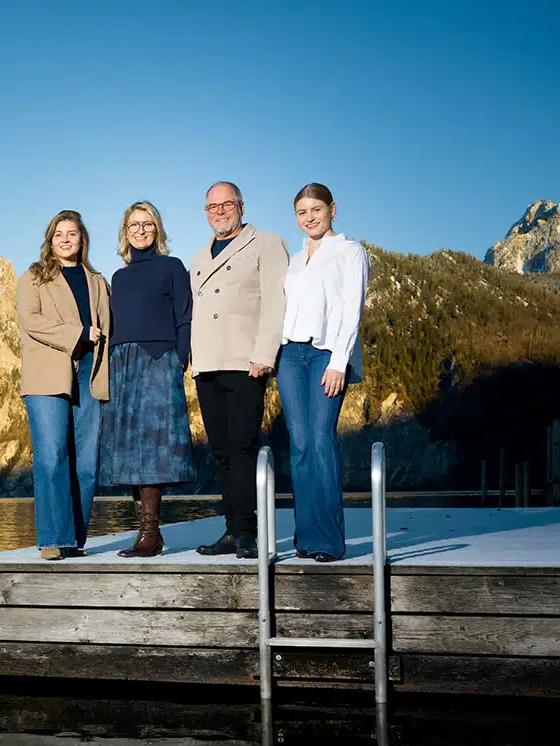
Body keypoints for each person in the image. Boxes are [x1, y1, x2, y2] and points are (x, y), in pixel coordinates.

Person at [190, 182, 289, 559]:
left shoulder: (266, 244)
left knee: (243, 446)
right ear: (205, 213)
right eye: (212, 206)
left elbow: (276, 302)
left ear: (242, 207)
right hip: (207, 364)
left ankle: (248, 532)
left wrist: (264, 353)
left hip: (245, 361)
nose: (219, 211)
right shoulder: (199, 257)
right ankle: (231, 530)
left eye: (226, 204)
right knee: (221, 451)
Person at [99, 201, 196, 557]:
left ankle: (150, 532)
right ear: (125, 232)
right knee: (127, 448)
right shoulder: (119, 277)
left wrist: (178, 358)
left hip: (158, 361)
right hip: (122, 364)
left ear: (157, 229)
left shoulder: (172, 267)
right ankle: (146, 533)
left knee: (153, 448)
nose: (140, 231)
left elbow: (185, 317)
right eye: (134, 225)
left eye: (147, 224)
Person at [279, 183, 368, 562]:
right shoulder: (296, 259)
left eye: (316, 209)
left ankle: (328, 541)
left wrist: (338, 361)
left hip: (325, 355)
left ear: (332, 209)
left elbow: (351, 310)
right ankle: (306, 536)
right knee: (299, 446)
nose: (309, 217)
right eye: (302, 212)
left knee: (320, 440)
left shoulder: (350, 251)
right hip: (290, 356)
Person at [16, 209, 111, 560]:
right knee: (52, 456)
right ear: (50, 240)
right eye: (59, 234)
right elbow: (31, 321)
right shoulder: (33, 277)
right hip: (47, 373)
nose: (66, 239)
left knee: (85, 462)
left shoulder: (98, 281)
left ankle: (74, 540)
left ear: (82, 239)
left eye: (72, 233)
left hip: (90, 371)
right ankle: (53, 539)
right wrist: (79, 333)